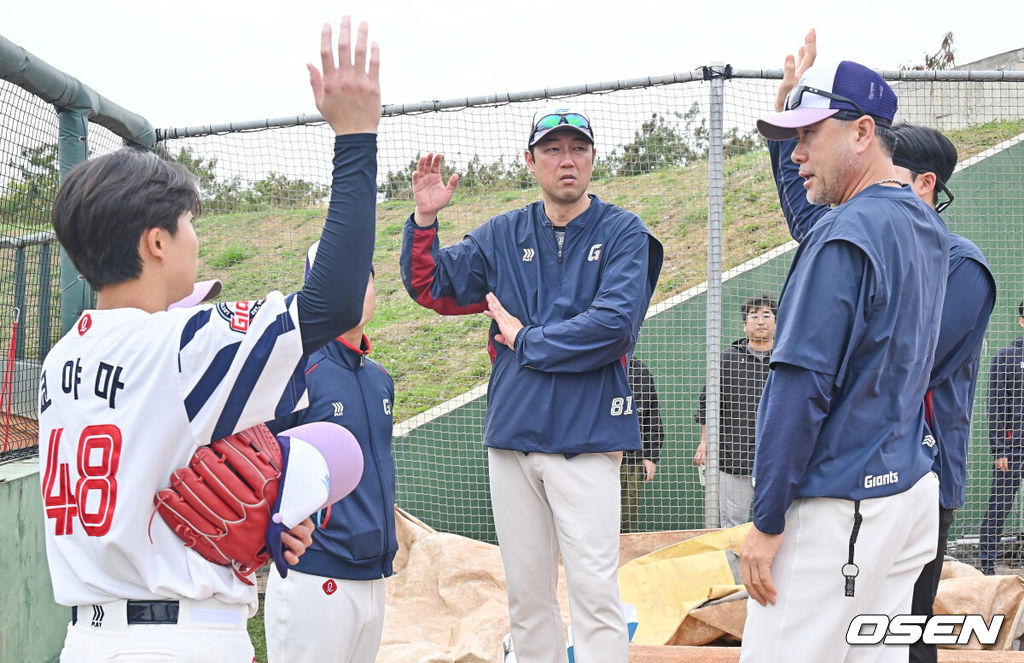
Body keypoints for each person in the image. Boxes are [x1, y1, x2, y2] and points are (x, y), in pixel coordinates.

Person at [37, 18, 381, 662]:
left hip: (87, 639)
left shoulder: (59, 360)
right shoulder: (179, 343)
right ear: (156, 242)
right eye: (189, 224)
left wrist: (266, 516)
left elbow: (155, 466)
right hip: (182, 639)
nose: (196, 238)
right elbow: (334, 302)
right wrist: (356, 136)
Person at [400, 107, 663, 663]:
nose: (567, 160)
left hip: (587, 439)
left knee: (595, 595)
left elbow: (613, 328)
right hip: (514, 437)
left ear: (593, 157)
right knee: (526, 599)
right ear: (530, 160)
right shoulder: (502, 234)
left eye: (578, 148)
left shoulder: (624, 231)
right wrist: (424, 222)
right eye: (552, 149)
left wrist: (526, 340)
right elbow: (431, 286)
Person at [768, 30, 996, 663]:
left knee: (905, 636)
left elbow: (897, 360)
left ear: (922, 184)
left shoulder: (961, 265)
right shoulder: (868, 232)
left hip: (914, 474)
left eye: (891, 167)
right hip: (866, 474)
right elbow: (811, 217)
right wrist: (785, 121)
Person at [739, 44, 950, 663]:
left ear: (862, 133)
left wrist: (767, 520)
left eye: (808, 135)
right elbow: (816, 216)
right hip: (906, 494)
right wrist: (789, 102)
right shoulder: (922, 224)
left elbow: (799, 389)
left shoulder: (842, 236)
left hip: (839, 507)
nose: (796, 153)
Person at [263, 246, 396, 663]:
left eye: (364, 275)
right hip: (313, 574)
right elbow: (254, 463)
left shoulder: (380, 379)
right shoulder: (293, 372)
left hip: (373, 578)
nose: (356, 286)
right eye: (341, 274)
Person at [694, 293, 776, 528]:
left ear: (776, 322)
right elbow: (708, 403)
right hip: (734, 457)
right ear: (744, 324)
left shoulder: (785, 359)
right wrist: (704, 442)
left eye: (767, 315)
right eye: (754, 316)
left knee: (778, 522)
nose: (761, 321)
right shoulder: (727, 360)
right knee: (732, 523)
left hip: (777, 458)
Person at [979, 300, 1024, 576]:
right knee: (999, 507)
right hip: (1013, 449)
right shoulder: (1006, 357)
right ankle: (986, 567)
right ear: (1021, 321)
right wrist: (1000, 450)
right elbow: (994, 404)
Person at [620, 355, 665, 533]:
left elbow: (652, 417)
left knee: (627, 519)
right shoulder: (597, 366)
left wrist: (651, 457)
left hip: (631, 461)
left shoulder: (640, 371)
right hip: (597, 457)